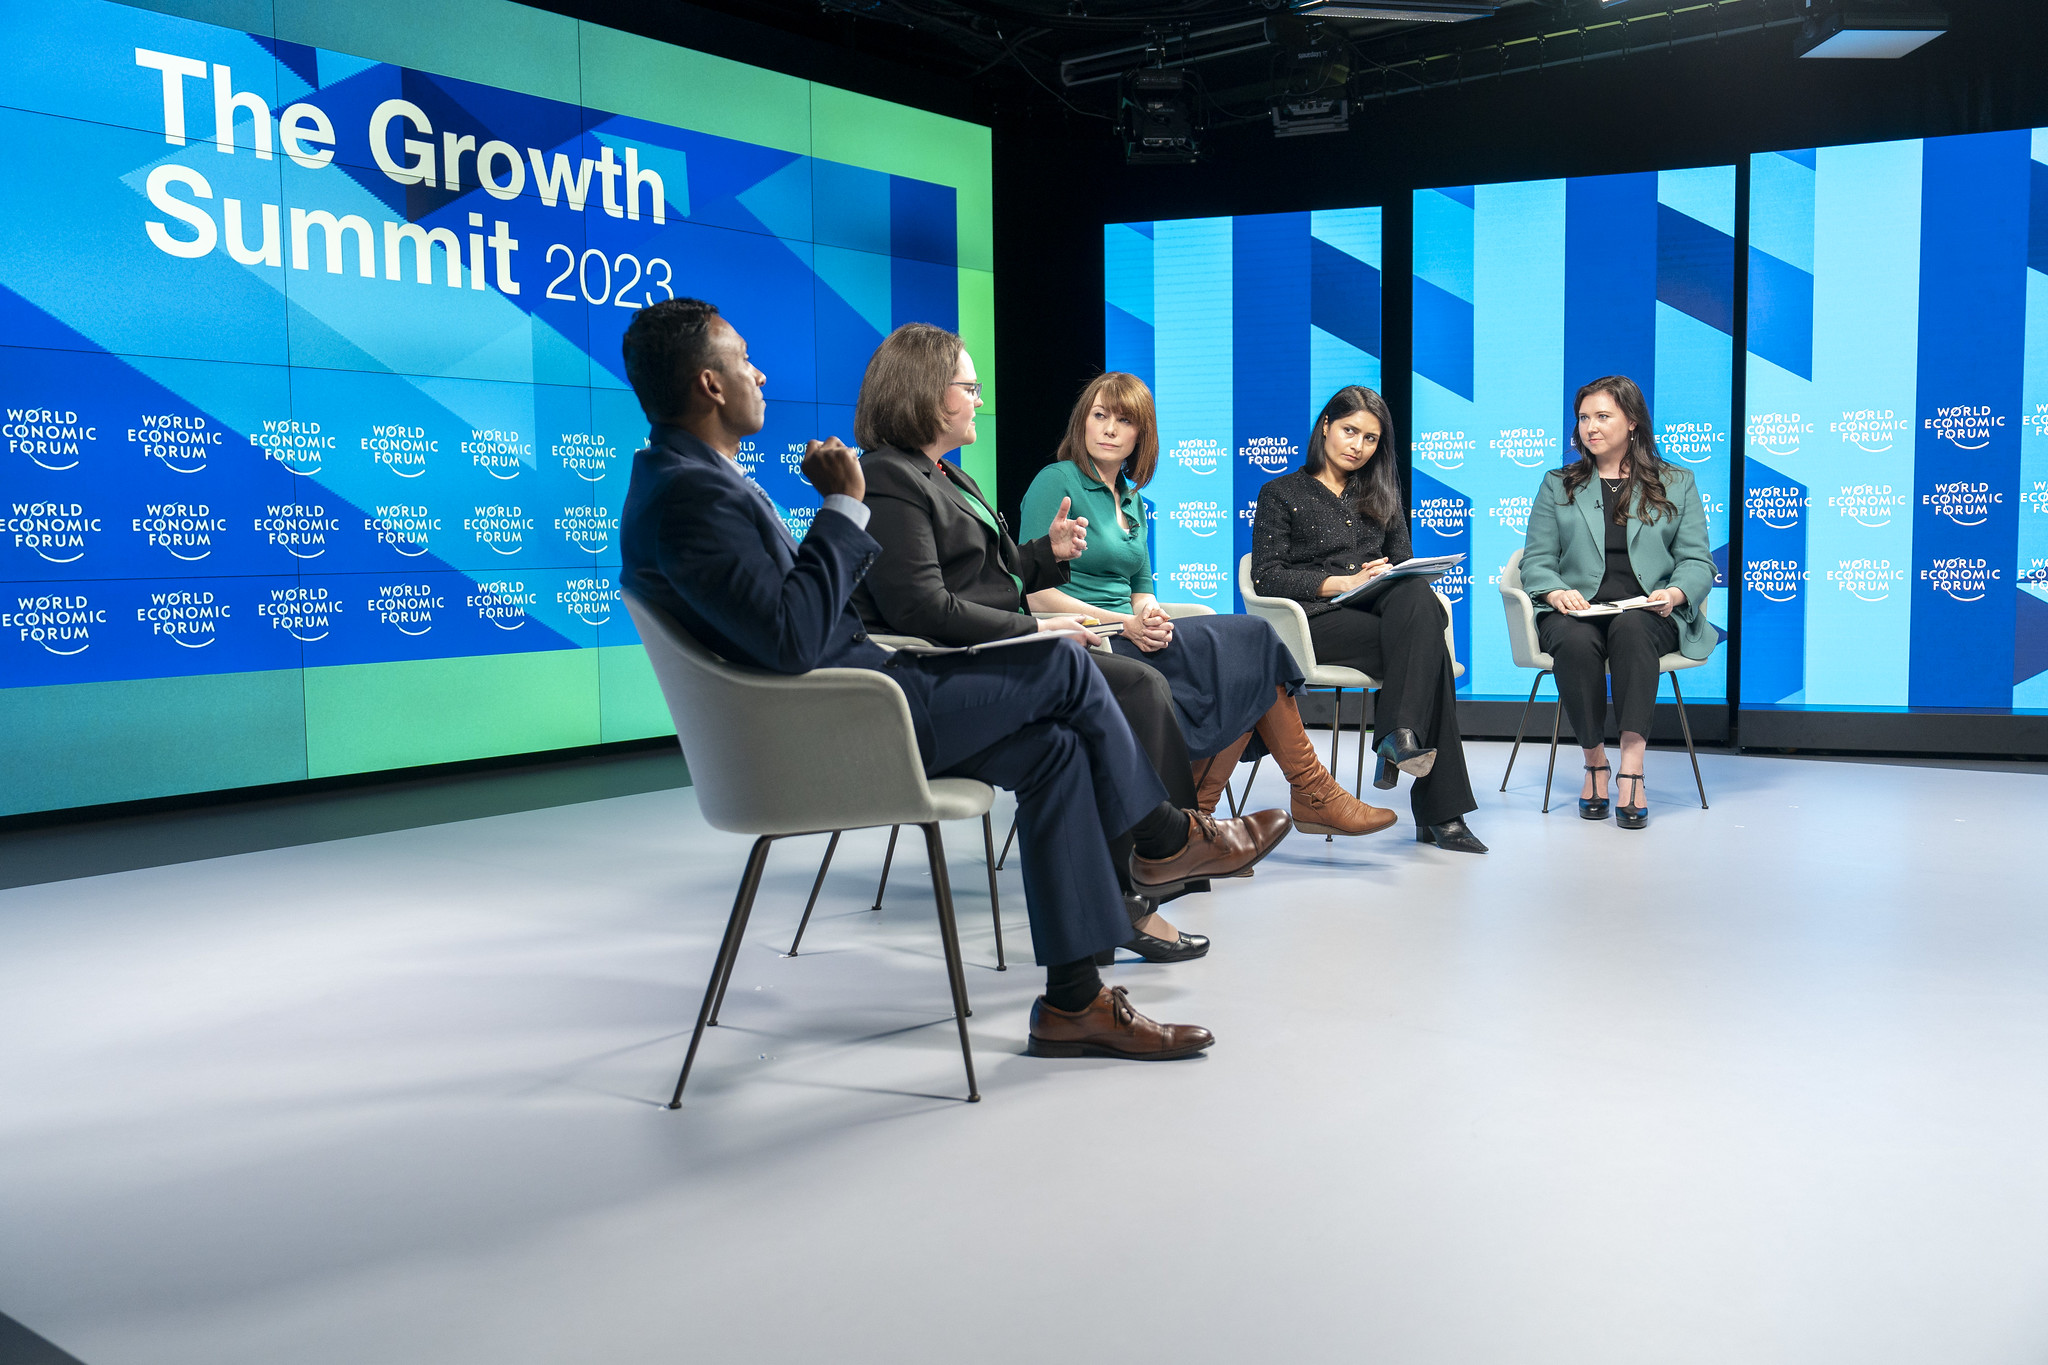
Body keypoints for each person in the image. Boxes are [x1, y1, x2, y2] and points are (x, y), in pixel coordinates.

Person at [618, 298, 1291, 1059]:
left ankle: (1074, 1001)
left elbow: (806, 616)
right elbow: (799, 636)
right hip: (850, 721)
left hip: (866, 696)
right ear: (710, 385)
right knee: (1069, 661)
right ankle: (1167, 837)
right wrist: (844, 504)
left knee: (1058, 749)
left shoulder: (694, 479)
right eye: (743, 359)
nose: (759, 371)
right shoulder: (688, 496)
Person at [850, 325, 1296, 961]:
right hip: (940, 677)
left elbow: (990, 579)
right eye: (969, 388)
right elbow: (923, 609)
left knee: (1118, 704)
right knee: (1138, 685)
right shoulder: (891, 478)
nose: (979, 400)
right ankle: (1166, 850)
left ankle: (1148, 879)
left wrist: (1044, 555)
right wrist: (1041, 626)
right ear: (925, 393)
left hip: (988, 658)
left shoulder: (949, 477)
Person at [1016, 372, 1395, 844]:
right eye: (1100, 416)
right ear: (1083, 423)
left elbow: (1141, 586)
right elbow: (1035, 596)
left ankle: (1202, 818)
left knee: (1244, 657)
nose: (1110, 429)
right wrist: (1126, 624)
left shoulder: (1131, 498)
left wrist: (1149, 615)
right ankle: (1305, 794)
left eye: (1124, 420)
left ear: (1141, 434)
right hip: (1086, 641)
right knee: (1250, 647)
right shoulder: (1057, 481)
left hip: (1132, 633)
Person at [1251, 385, 1486, 854]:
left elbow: (1404, 562)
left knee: (1416, 591)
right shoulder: (1281, 492)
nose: (1358, 445)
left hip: (1381, 612)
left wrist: (1386, 573)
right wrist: (1344, 582)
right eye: (1350, 431)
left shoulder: (1381, 492)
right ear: (1325, 427)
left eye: (1371, 438)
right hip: (1317, 623)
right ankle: (1440, 810)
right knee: (1430, 655)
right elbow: (1267, 577)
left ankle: (1399, 735)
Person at [1518, 375, 1716, 830]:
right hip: (1577, 611)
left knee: (1631, 631)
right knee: (1573, 639)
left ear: (1632, 422)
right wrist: (1552, 591)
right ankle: (1594, 763)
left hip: (1648, 610)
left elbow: (1697, 561)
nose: (1590, 427)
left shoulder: (1676, 482)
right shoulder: (1558, 484)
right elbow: (1536, 560)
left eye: (1603, 416)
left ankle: (1632, 767)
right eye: (1584, 418)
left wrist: (1674, 593)